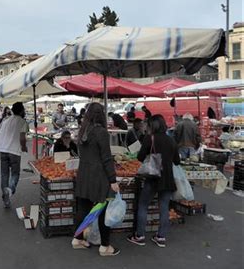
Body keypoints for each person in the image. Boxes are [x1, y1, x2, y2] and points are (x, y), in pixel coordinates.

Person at [73, 102, 120, 256]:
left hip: (84, 174)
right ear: (102, 115)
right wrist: (113, 180)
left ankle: (78, 239)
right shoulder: (101, 132)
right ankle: (105, 246)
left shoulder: (83, 130)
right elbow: (106, 158)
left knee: (84, 209)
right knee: (103, 209)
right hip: (99, 176)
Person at [127, 115, 180, 248]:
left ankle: (140, 236)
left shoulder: (149, 138)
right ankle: (161, 237)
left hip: (153, 177)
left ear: (152, 126)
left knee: (143, 204)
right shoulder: (171, 140)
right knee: (164, 207)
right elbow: (177, 161)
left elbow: (140, 157)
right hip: (167, 178)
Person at [0, 102, 29, 208]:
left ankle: (6, 200)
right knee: (15, 174)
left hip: (3, 150)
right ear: (21, 110)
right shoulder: (22, 121)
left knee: (4, 174)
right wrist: (24, 147)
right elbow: (22, 138)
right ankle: (9, 190)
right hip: (14, 151)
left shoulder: (6, 121)